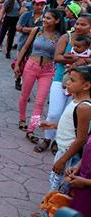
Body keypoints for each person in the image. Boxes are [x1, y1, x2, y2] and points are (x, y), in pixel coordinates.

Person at [39, 14, 91, 154]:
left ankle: (57, 141)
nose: (79, 27)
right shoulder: (66, 37)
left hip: (81, 84)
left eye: (83, 25)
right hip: (61, 78)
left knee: (68, 115)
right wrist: (75, 60)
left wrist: (84, 61)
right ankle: (47, 138)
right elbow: (57, 57)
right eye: (78, 24)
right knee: (54, 113)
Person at [14, 9, 65, 143]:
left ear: (57, 21)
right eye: (45, 17)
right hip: (31, 65)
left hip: (48, 71)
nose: (45, 20)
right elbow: (25, 47)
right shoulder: (36, 30)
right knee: (25, 96)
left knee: (40, 101)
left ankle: (31, 129)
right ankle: (22, 119)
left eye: (49, 18)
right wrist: (18, 64)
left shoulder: (60, 36)